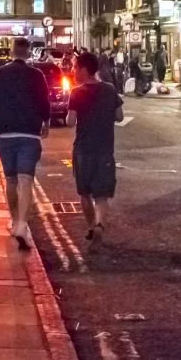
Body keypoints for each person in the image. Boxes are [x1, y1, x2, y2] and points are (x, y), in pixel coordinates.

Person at [0, 37, 50, 249]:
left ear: (11, 52)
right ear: (28, 53)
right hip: (29, 133)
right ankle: (22, 224)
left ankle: (14, 219)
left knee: (11, 180)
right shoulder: (37, 75)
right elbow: (44, 103)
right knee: (26, 180)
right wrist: (46, 123)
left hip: (5, 134)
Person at [67, 52, 122, 246]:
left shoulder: (76, 92)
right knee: (102, 193)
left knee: (84, 192)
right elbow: (119, 116)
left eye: (75, 67)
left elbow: (70, 121)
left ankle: (91, 226)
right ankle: (99, 223)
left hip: (83, 149)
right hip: (105, 148)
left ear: (84, 69)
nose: (73, 71)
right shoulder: (109, 90)